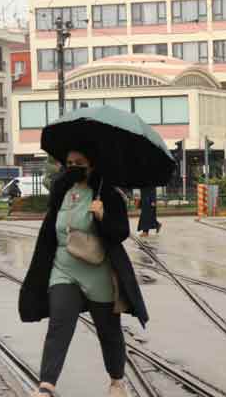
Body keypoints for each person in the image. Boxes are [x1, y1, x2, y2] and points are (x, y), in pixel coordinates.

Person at [19, 148, 149, 397]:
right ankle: (46, 385)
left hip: (97, 271)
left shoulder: (107, 194)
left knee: (108, 330)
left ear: (92, 164)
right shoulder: (61, 192)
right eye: (69, 163)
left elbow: (120, 232)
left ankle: (117, 381)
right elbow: (50, 232)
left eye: (79, 163)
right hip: (63, 269)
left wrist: (102, 216)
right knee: (59, 323)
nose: (73, 167)